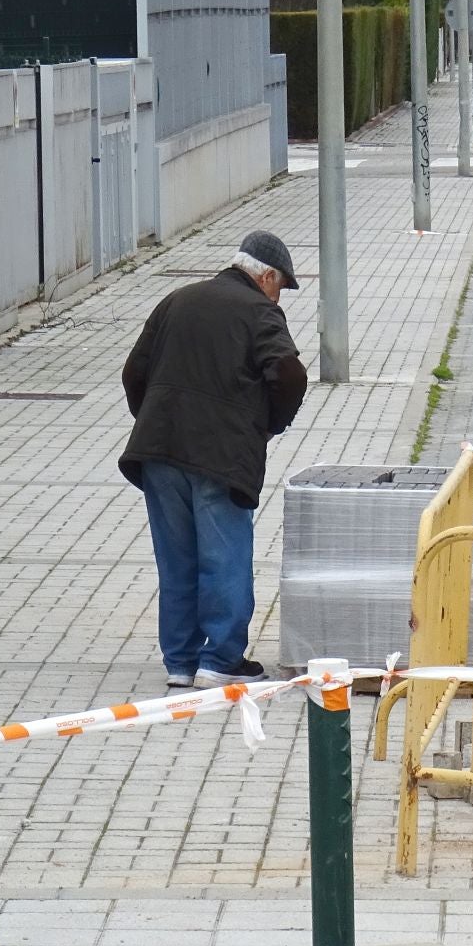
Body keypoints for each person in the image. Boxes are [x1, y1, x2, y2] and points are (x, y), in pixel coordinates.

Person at [120, 230, 308, 689]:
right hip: (220, 457)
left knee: (177, 557)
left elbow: (133, 372)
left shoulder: (177, 300)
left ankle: (181, 662)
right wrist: (267, 425)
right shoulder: (260, 312)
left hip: (160, 451)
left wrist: (156, 417)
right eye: (280, 285)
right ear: (265, 275)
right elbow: (289, 374)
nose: (278, 295)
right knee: (224, 558)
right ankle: (220, 658)